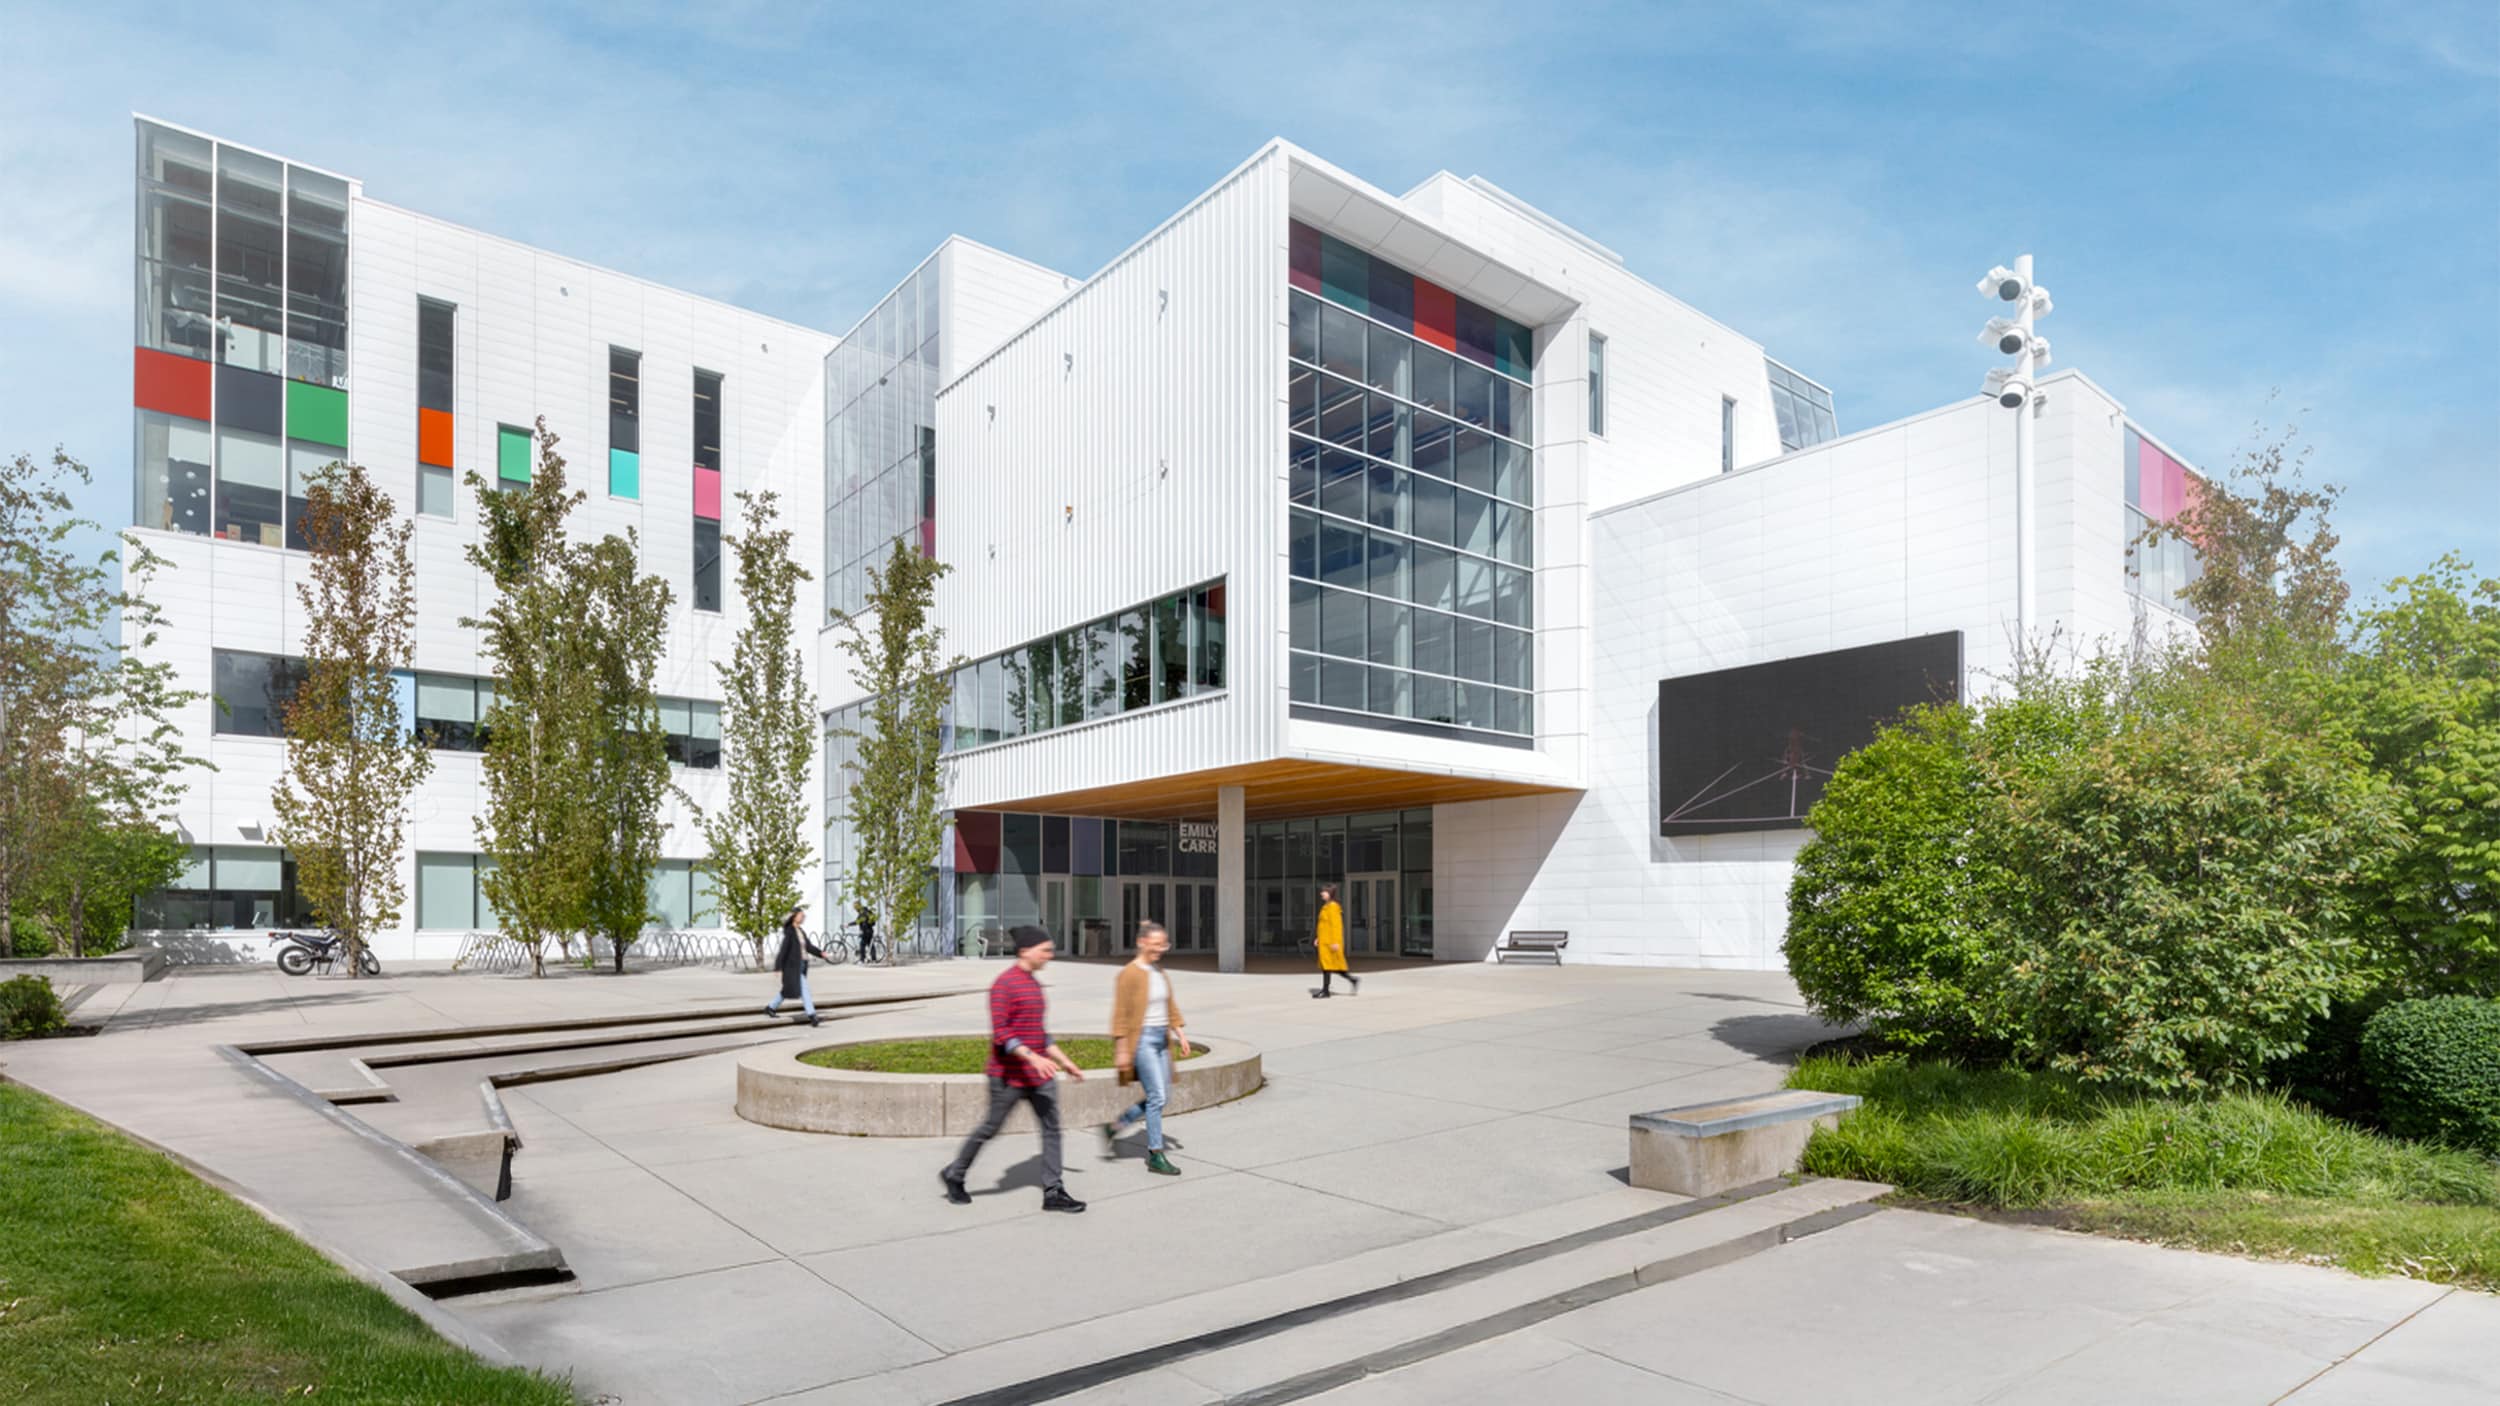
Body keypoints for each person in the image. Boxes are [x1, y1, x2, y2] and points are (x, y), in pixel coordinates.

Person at [941, 925, 1088, 1213]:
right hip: (1008, 1076)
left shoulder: (1034, 983)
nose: (1050, 955)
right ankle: (955, 1173)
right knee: (990, 1128)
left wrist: (1063, 1060)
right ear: (1025, 951)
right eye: (1044, 950)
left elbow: (1039, 1032)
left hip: (1039, 1075)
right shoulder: (1004, 984)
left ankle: (1054, 1191)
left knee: (1052, 1129)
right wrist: (1033, 1058)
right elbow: (1002, 1033)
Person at [1102, 920, 1191, 1175]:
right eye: (1155, 944)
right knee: (1158, 1097)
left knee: (1163, 1096)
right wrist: (1121, 1049)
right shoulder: (1128, 974)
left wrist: (1181, 1034)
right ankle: (1155, 1154)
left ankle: (1116, 1125)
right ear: (1141, 942)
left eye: (1163, 944)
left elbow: (1169, 1006)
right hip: (1141, 1041)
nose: (1160, 949)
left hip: (1162, 1039)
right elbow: (1120, 1014)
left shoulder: (1159, 972)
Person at [765, 907, 826, 1025]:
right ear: (794, 916)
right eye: (801, 915)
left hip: (802, 965)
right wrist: (778, 967)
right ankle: (812, 1016)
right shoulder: (790, 931)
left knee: (788, 990)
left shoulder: (800, 931)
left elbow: (808, 947)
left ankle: (770, 1007)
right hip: (793, 966)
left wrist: (820, 953)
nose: (803, 917)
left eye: (803, 916)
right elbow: (783, 950)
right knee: (804, 989)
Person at [1312, 882, 1358, 998]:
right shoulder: (1326, 906)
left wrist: (1336, 942)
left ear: (1330, 893)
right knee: (1331, 967)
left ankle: (1326, 991)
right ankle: (1352, 980)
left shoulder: (1333, 907)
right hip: (1325, 941)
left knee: (1329, 967)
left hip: (1330, 943)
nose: (1321, 893)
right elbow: (1323, 925)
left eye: (1324, 891)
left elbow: (1337, 926)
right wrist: (1318, 938)